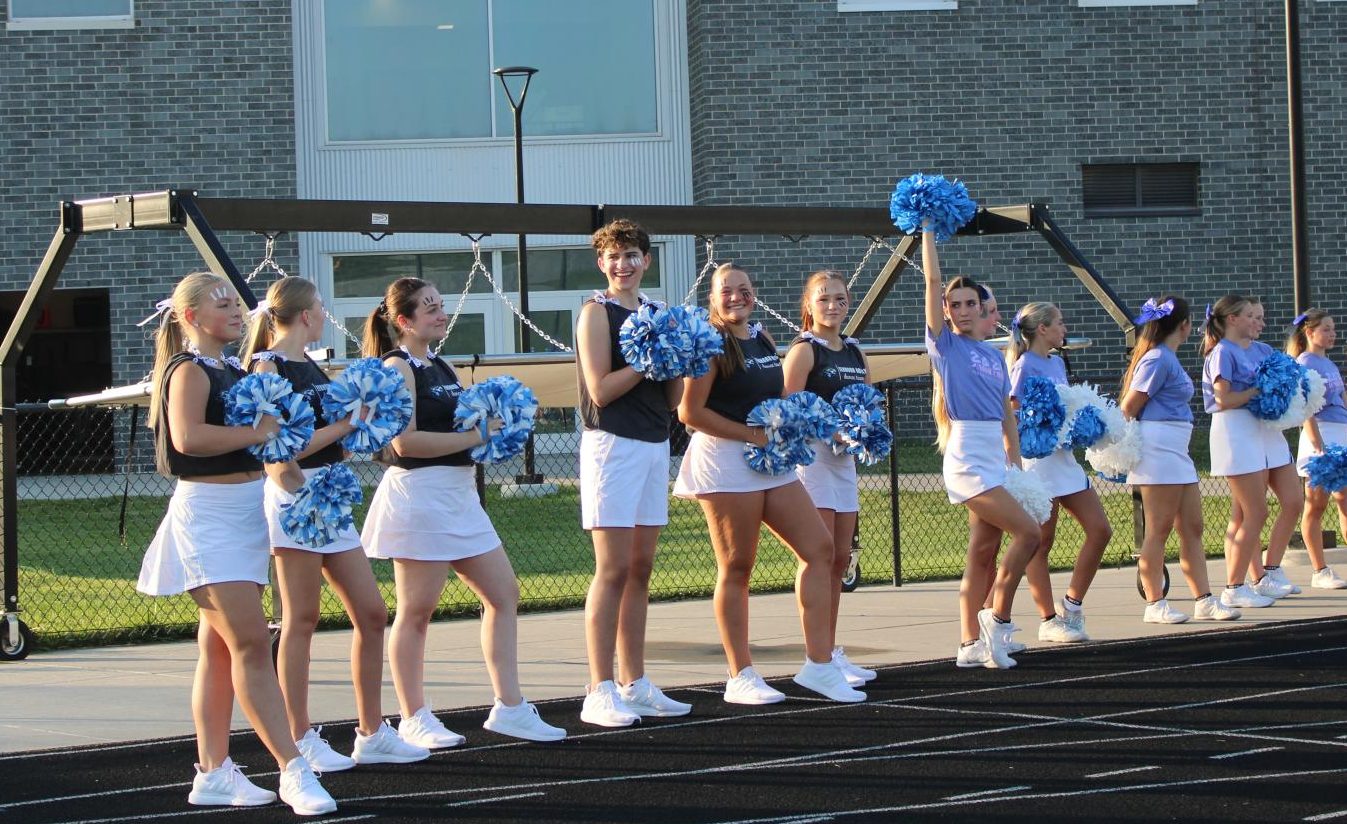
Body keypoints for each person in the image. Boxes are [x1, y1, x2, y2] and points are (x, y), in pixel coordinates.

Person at [136, 272, 336, 815]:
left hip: (247, 514)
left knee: (220, 648)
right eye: (219, 304)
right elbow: (189, 439)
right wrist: (260, 432)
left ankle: (212, 771)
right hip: (207, 517)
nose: (234, 310)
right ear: (190, 318)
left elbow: (274, 447)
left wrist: (300, 489)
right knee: (251, 643)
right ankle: (293, 768)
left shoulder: (232, 369)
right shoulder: (188, 369)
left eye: (235, 302)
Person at [359, 277, 565, 746]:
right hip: (420, 496)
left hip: (458, 495)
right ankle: (414, 715)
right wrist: (479, 437)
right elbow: (403, 442)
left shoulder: (441, 365)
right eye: (429, 307)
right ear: (403, 320)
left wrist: (493, 433)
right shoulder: (398, 367)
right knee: (417, 610)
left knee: (503, 592)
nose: (440, 313)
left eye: (440, 305)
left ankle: (509, 707)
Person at [240, 276, 430, 768]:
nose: (325, 315)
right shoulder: (268, 366)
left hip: (329, 493)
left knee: (371, 613)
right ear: (305, 315)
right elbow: (278, 449)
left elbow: (329, 436)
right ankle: (299, 736)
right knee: (301, 619)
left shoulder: (311, 365)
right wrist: (347, 425)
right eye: (321, 307)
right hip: (295, 496)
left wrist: (361, 429)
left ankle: (371, 731)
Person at [674, 263, 864, 704]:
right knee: (738, 567)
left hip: (771, 458)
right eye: (727, 291)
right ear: (713, 298)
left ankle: (819, 665)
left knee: (819, 549)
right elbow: (689, 412)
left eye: (744, 289)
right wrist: (751, 434)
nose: (737, 297)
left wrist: (792, 425)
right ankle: (740, 674)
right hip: (724, 459)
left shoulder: (761, 337)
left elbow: (779, 398)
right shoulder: (710, 342)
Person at [575, 220, 691, 727]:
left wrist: (681, 363)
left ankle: (634, 682)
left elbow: (672, 400)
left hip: (652, 444)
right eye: (613, 257)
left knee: (641, 569)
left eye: (632, 256)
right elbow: (600, 389)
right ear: (601, 264)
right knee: (613, 568)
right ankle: (598, 687)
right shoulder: (594, 312)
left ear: (647, 260)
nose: (623, 265)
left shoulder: (660, 313)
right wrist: (649, 359)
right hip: (612, 446)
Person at [921, 230, 1039, 670]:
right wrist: (928, 231)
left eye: (973, 303)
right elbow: (932, 283)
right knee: (1029, 533)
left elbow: (1007, 412)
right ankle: (996, 617)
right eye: (957, 304)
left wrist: (1016, 459)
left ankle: (970, 642)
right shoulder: (944, 345)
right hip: (967, 456)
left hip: (995, 455)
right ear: (946, 312)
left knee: (983, 552)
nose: (964, 310)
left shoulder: (992, 355)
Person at [781, 270, 877, 687]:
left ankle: (832, 651)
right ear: (809, 305)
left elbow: (869, 402)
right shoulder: (805, 350)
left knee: (840, 559)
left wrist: (865, 432)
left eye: (839, 298)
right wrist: (830, 430)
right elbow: (786, 407)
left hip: (844, 461)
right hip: (814, 459)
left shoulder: (855, 351)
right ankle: (814, 655)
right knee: (816, 559)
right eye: (823, 299)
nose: (832, 306)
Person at [1120, 296, 1239, 622]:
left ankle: (1204, 598)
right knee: (1157, 529)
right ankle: (1154, 603)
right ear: (1185, 326)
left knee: (1193, 527)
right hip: (1158, 448)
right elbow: (1128, 408)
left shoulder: (1165, 357)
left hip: (1176, 450)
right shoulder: (1157, 359)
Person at [1004, 302, 1113, 643]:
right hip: (1040, 461)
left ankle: (1073, 604)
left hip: (1064, 459)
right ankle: (1048, 619)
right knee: (1041, 541)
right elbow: (1015, 413)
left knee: (1100, 530)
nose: (1064, 328)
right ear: (1042, 329)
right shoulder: (1023, 365)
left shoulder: (1056, 363)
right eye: (1060, 323)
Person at [1202, 294, 1301, 608]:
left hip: (1266, 429)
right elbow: (1224, 400)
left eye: (1261, 317)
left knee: (1293, 500)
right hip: (1236, 429)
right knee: (1253, 512)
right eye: (1253, 317)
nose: (1261, 323)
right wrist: (1263, 388)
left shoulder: (1264, 350)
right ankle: (1234, 586)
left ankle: (1268, 572)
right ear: (1233, 319)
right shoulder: (1221, 353)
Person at [1289, 309, 1347, 590]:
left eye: (1333, 328)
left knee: (1345, 501)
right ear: (1309, 333)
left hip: (1341, 433)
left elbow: (1342, 397)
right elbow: (1305, 410)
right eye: (1326, 329)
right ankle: (1320, 570)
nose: (1332, 333)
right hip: (1321, 437)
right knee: (1316, 505)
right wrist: (1317, 446)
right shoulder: (1304, 363)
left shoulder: (1329, 363)